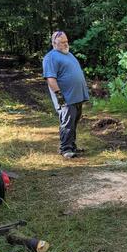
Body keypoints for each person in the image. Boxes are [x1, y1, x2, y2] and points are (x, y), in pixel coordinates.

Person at [43, 31, 89, 159]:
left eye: (66, 41)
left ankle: (72, 146)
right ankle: (66, 149)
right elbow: (50, 78)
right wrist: (58, 94)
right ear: (54, 43)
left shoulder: (68, 54)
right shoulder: (50, 57)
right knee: (67, 122)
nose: (65, 44)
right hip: (66, 97)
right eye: (62, 42)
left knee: (74, 122)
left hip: (77, 96)